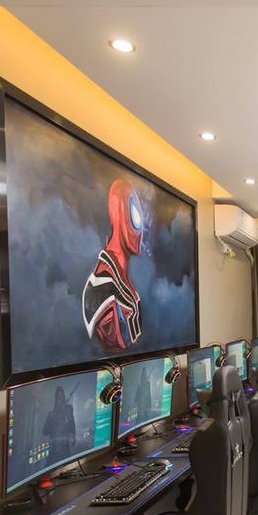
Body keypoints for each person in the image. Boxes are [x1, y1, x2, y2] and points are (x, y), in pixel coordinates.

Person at [81, 179, 147, 351]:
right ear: (118, 214)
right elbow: (116, 343)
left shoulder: (122, 281)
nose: (139, 230)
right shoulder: (100, 285)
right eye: (133, 215)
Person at [42, 386, 76, 462]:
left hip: (65, 448)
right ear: (56, 399)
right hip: (53, 449)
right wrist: (52, 418)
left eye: (62, 396)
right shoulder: (51, 414)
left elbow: (72, 425)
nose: (60, 399)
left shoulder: (68, 409)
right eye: (58, 397)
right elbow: (45, 432)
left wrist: (72, 436)